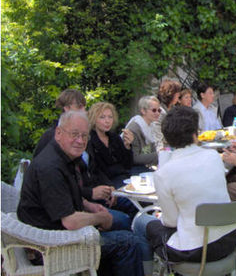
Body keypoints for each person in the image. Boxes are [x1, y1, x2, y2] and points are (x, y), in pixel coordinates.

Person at [17, 111, 151, 276]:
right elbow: (71, 222)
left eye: (84, 136)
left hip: (59, 232)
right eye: (74, 134)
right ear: (58, 133)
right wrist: (100, 218)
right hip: (50, 246)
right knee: (130, 243)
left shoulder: (64, 157)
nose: (80, 141)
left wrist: (89, 205)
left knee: (123, 224)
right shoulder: (50, 168)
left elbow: (64, 194)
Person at [133, 106, 236, 265]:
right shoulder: (213, 157)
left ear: (167, 138)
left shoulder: (164, 173)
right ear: (195, 133)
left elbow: (171, 222)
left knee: (141, 221)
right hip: (231, 239)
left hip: (197, 250)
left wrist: (161, 217)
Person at [87, 102, 135, 188]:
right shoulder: (89, 140)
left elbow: (128, 165)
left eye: (110, 117)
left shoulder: (114, 138)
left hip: (123, 178)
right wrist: (110, 186)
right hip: (104, 184)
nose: (107, 121)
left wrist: (127, 146)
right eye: (102, 117)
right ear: (94, 119)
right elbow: (95, 170)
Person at [33, 88, 86, 157]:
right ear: (67, 108)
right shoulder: (50, 136)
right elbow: (39, 164)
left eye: (84, 107)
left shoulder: (84, 135)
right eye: (79, 107)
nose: (84, 111)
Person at [124, 96, 160, 169]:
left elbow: (151, 150)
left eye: (159, 110)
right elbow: (134, 158)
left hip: (145, 167)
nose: (157, 113)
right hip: (133, 169)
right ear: (143, 111)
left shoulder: (151, 126)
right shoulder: (134, 128)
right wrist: (159, 155)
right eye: (154, 110)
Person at [153, 79, 182, 152]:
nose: (179, 95)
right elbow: (156, 132)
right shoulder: (160, 111)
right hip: (163, 148)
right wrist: (161, 150)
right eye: (177, 93)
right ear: (171, 94)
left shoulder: (173, 109)